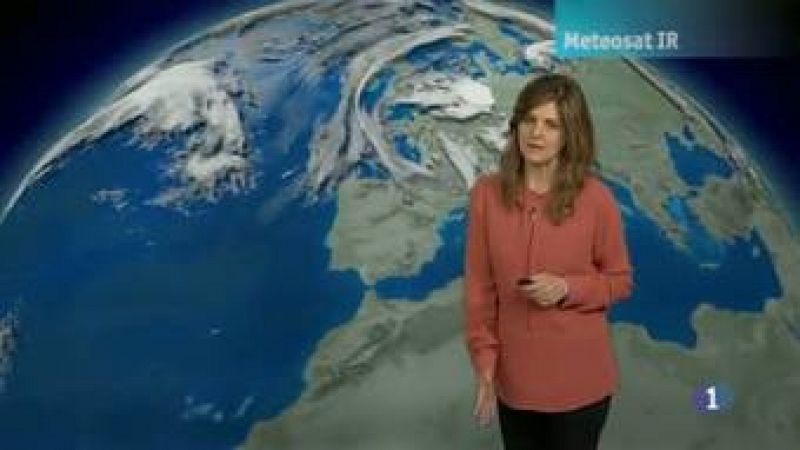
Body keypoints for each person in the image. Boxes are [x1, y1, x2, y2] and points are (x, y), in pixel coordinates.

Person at [463, 73, 634, 450]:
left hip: (581, 387)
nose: (536, 133)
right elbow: (479, 290)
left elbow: (619, 281)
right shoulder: (487, 196)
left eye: (551, 124)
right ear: (516, 125)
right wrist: (485, 365)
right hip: (514, 386)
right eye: (529, 120)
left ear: (570, 134)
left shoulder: (597, 200)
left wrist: (568, 288)